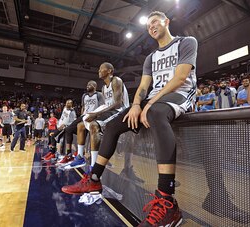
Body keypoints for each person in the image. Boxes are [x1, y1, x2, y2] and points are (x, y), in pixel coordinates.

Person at [61, 11, 197, 227]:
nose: (151, 26)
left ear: (166, 22)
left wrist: (149, 104)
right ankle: (94, 179)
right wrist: (135, 105)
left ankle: (168, 202)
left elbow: (181, 78)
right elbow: (143, 87)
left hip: (180, 95)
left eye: (155, 22)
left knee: (155, 112)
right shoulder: (151, 58)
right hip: (154, 100)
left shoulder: (186, 42)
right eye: (148, 25)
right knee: (114, 124)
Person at [75, 62, 129, 169]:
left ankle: (93, 166)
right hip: (110, 111)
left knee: (94, 126)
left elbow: (118, 103)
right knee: (80, 125)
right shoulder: (104, 87)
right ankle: (80, 156)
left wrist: (97, 114)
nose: (98, 71)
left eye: (101, 69)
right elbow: (106, 105)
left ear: (109, 71)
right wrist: (95, 113)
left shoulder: (116, 80)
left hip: (121, 111)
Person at [58, 80, 104, 168]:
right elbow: (83, 107)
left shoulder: (98, 94)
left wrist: (96, 116)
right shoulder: (84, 95)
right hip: (84, 116)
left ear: (95, 86)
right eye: (87, 84)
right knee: (69, 129)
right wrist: (82, 115)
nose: (88, 86)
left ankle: (86, 158)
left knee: (89, 136)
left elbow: (102, 107)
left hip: (93, 116)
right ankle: (70, 154)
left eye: (90, 84)